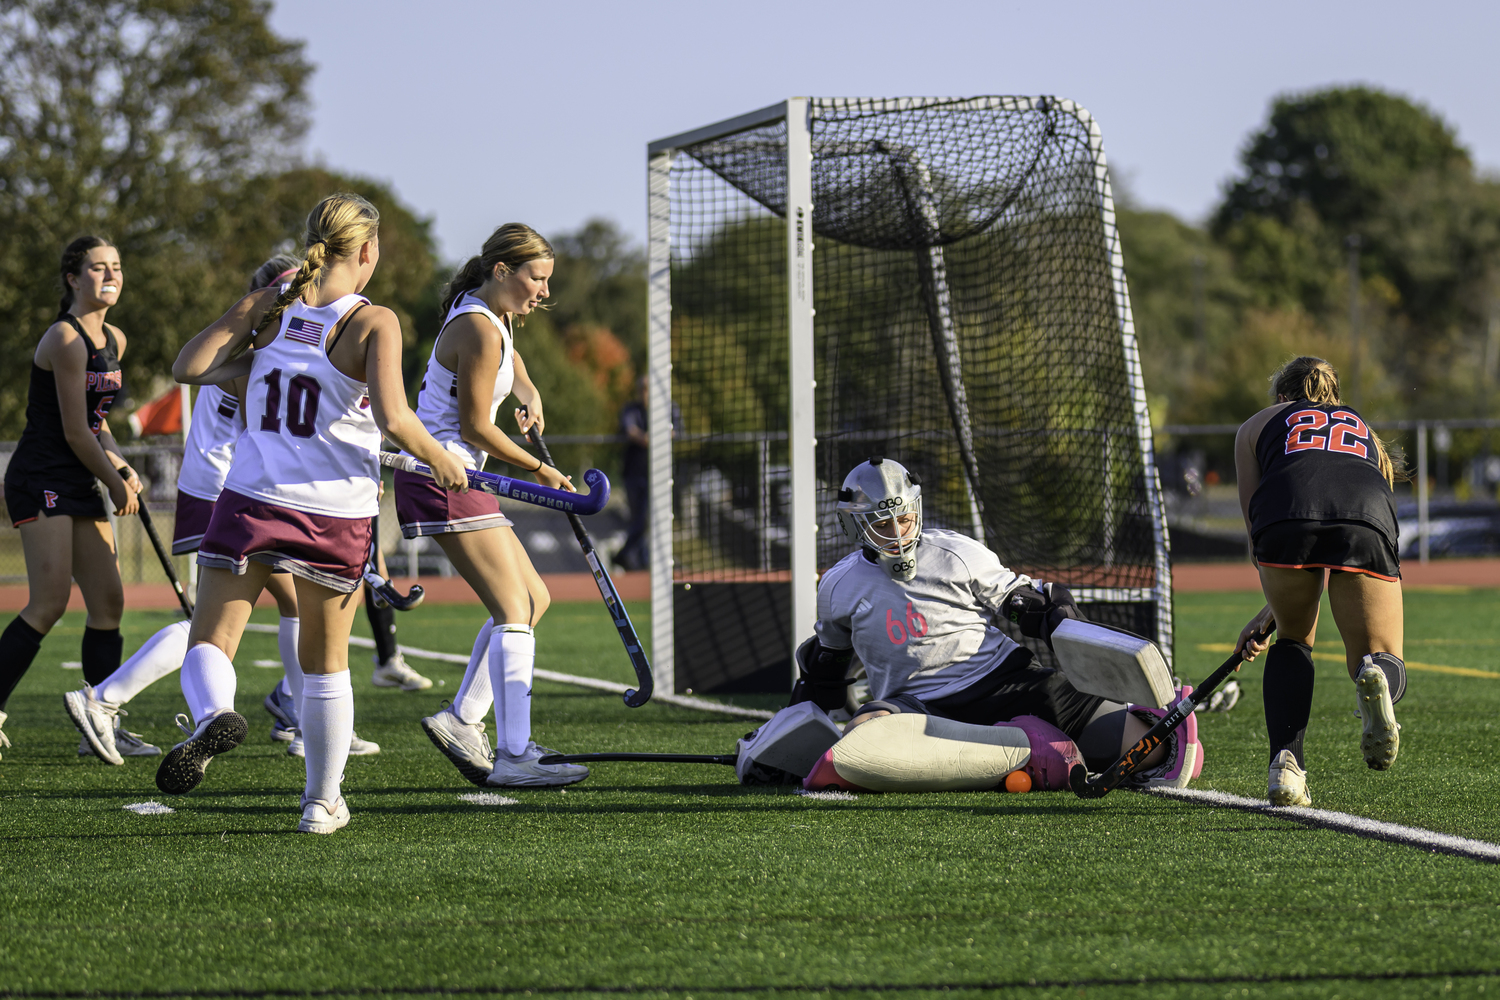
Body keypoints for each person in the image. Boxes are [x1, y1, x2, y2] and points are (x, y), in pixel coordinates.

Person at [161, 193, 467, 834]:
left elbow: (187, 366)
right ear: (367, 251)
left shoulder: (270, 316)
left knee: (211, 640)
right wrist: (441, 458)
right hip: (332, 513)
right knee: (327, 661)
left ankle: (216, 712)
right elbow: (393, 417)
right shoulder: (374, 320)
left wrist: (255, 301)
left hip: (249, 500)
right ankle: (321, 803)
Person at [63, 254, 394, 764]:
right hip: (234, 489)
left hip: (240, 488)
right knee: (228, 621)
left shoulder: (263, 341)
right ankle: (105, 699)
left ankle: (287, 708)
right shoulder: (271, 340)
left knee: (264, 611)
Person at [793, 457, 1200, 787]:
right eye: (882, 524)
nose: (898, 533)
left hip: (1004, 681)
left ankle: (1012, 751)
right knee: (862, 737)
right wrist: (789, 731)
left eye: (904, 518)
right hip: (915, 706)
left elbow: (1032, 604)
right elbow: (826, 670)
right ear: (855, 525)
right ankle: (1029, 748)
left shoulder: (955, 551)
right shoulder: (837, 586)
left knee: (1157, 749)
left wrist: (1058, 620)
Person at [398, 223, 588, 789]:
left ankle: (462, 720)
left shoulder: (492, 313)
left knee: (535, 598)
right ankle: (514, 753)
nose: (545, 292)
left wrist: (527, 392)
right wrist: (541, 469)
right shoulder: (478, 326)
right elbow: (476, 426)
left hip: (460, 475)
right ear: (502, 271)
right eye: (537, 278)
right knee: (513, 607)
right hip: (443, 475)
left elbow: (511, 360)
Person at [1231, 356, 1405, 808]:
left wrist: (1277, 612)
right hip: (1364, 517)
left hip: (1283, 521)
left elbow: (1260, 525)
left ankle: (1286, 768)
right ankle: (1376, 674)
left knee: (1293, 639)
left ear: (1282, 396)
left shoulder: (1257, 424)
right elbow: (1367, 506)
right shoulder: (1362, 428)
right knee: (1380, 652)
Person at [0, 236, 143, 760]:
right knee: (50, 601)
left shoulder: (116, 340)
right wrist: (113, 480)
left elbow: (97, 423)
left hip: (80, 474)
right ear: (72, 278)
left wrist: (121, 464)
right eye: (98, 268)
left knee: (109, 603)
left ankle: (100, 722)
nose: (110, 275)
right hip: (42, 476)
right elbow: (73, 431)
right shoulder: (65, 338)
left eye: (117, 267)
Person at [616, 376, 679, 572]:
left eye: (648, 388)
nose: (645, 393)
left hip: (661, 474)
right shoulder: (631, 409)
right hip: (635, 474)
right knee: (639, 519)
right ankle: (630, 558)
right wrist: (648, 438)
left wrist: (657, 436)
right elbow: (631, 430)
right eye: (642, 388)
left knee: (658, 520)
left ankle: (632, 558)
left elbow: (676, 430)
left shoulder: (669, 408)